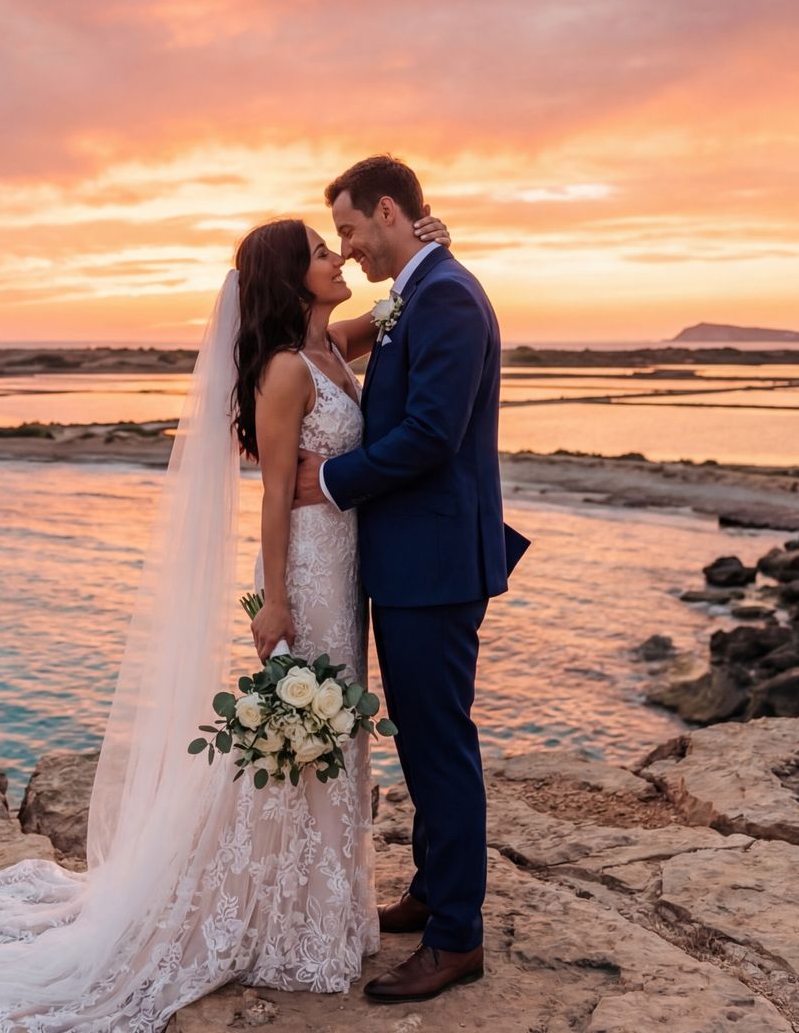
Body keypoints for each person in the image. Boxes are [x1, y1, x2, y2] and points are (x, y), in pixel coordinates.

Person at [0, 207, 457, 1032]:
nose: (339, 258)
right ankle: (275, 912)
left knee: (327, 729)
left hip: (346, 567)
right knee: (303, 728)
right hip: (305, 565)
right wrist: (274, 598)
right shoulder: (285, 370)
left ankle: (316, 903)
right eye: (319, 253)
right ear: (285, 278)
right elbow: (269, 495)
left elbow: (393, 307)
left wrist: (427, 249)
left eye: (337, 245)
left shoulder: (333, 347)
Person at [293, 154, 527, 1004]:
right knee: (424, 735)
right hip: (410, 560)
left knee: (439, 744)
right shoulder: (418, 293)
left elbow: (431, 434)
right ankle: (433, 892)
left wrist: (325, 481)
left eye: (351, 230)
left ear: (389, 211)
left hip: (434, 563)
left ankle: (457, 936)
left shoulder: (450, 298)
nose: (348, 251)